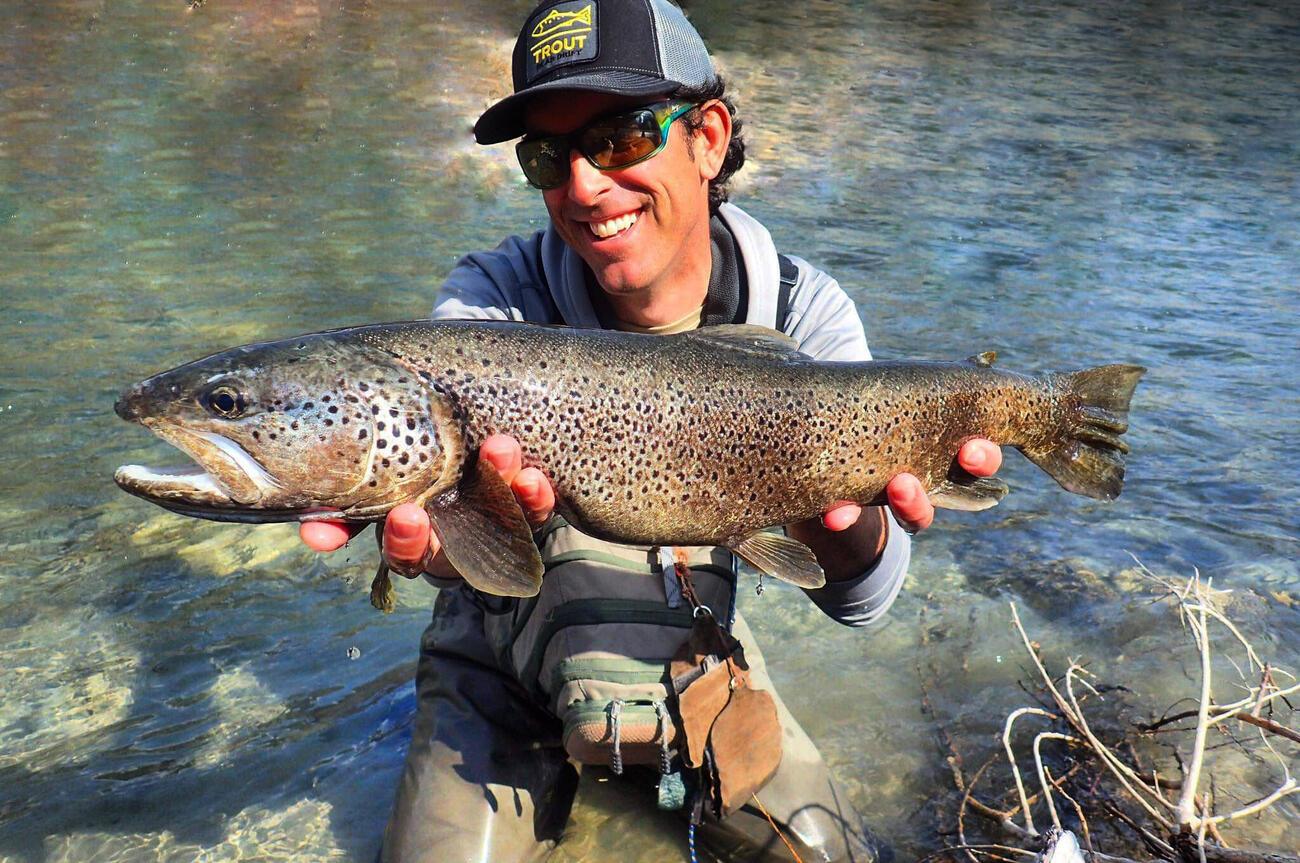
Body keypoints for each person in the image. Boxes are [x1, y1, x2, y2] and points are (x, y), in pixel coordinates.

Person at [301, 1, 1002, 860]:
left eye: (623, 137)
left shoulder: (802, 315)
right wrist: (446, 545)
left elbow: (866, 602)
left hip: (696, 664)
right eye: (549, 155)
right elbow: (443, 524)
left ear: (708, 138)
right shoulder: (489, 309)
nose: (585, 186)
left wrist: (841, 528)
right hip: (500, 681)